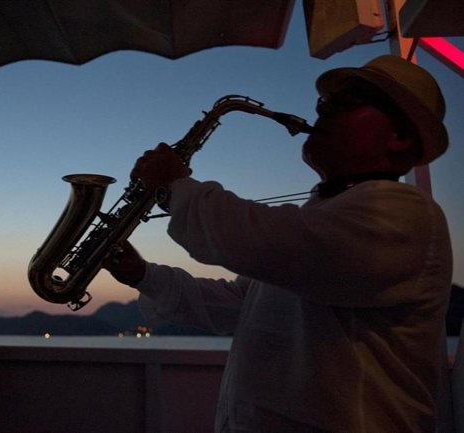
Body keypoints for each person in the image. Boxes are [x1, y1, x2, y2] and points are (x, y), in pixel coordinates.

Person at [103, 55, 452, 432]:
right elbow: (240, 306)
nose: (322, 108)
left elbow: (265, 239)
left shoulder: (407, 214)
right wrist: (143, 276)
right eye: (323, 101)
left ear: (399, 137)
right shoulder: (325, 220)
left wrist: (174, 184)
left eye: (346, 100)